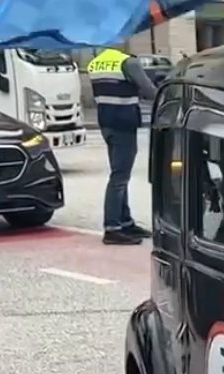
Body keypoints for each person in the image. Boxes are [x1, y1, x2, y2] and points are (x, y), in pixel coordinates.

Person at [86, 47, 158, 245]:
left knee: (119, 173)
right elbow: (149, 90)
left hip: (106, 123)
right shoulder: (127, 62)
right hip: (125, 124)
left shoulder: (96, 63)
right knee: (120, 176)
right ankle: (113, 228)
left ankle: (125, 222)